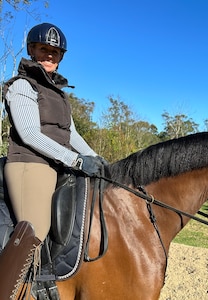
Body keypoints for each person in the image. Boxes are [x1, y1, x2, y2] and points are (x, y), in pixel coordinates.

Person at [0, 23, 107, 298]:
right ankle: (8, 290)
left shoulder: (59, 93)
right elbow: (30, 134)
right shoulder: (22, 85)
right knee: (36, 227)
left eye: (55, 51)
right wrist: (77, 161)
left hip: (58, 163)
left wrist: (95, 158)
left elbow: (71, 134)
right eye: (44, 49)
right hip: (30, 163)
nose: (50, 55)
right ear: (32, 50)